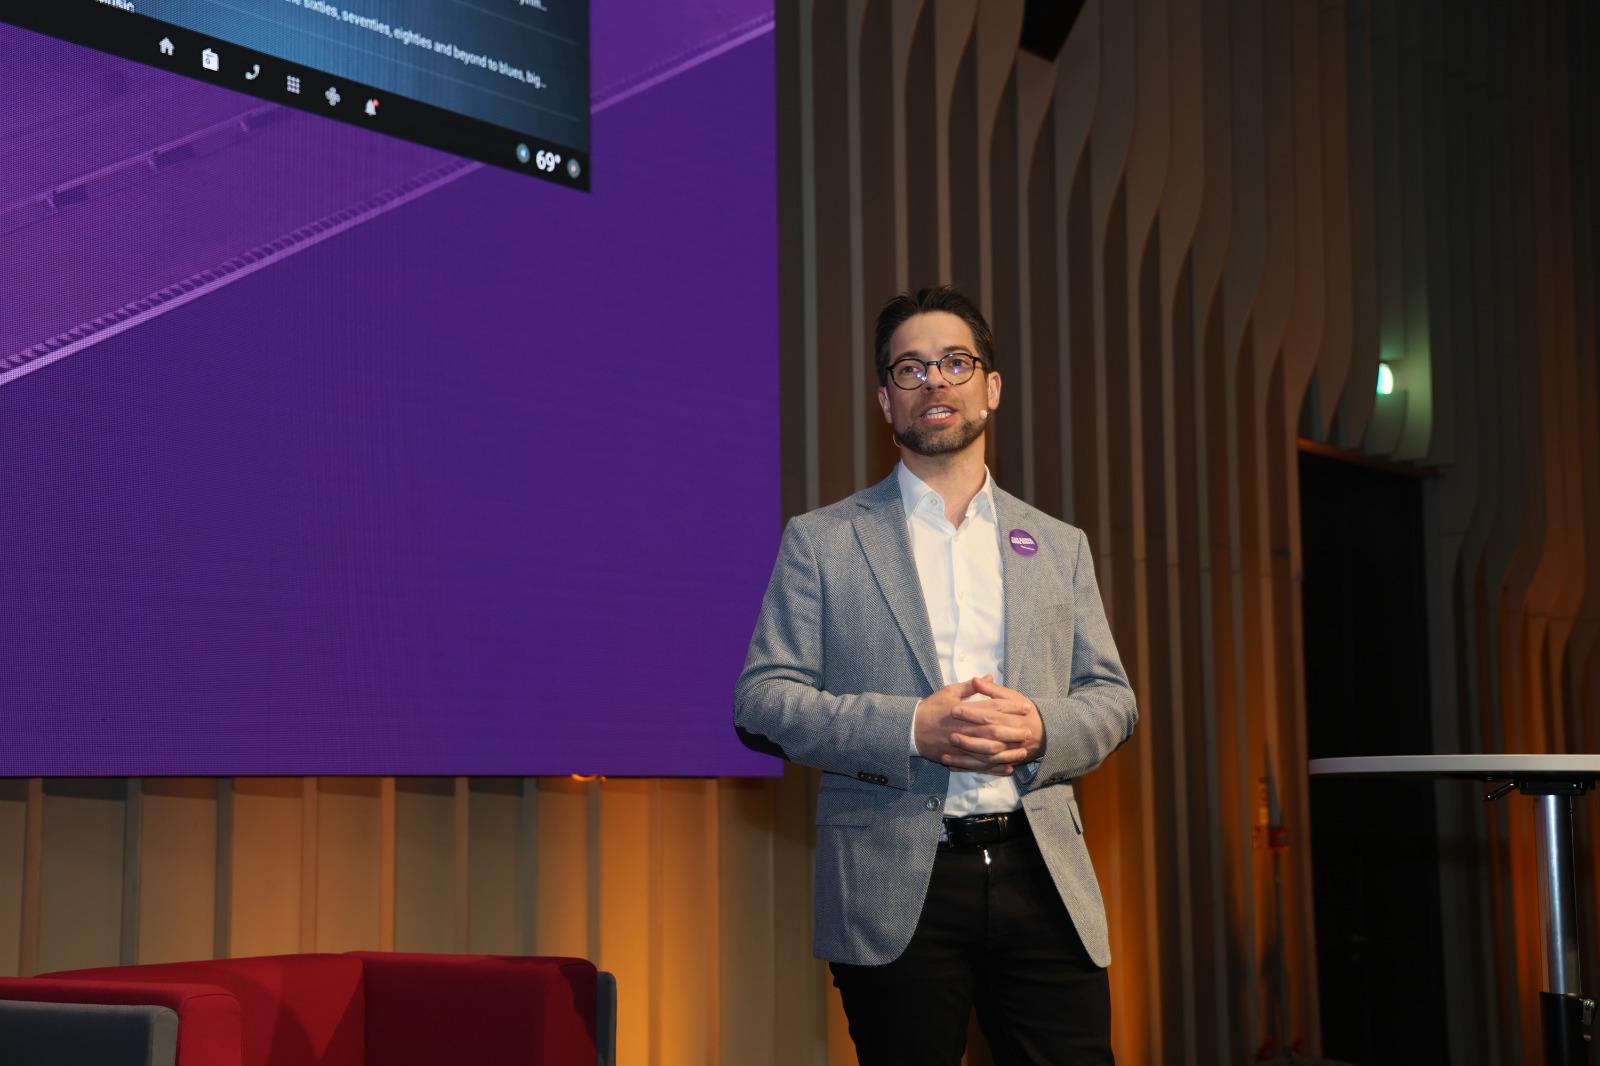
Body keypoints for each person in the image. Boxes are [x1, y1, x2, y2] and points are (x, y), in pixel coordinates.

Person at [734, 285, 1138, 1064]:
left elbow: (1113, 700)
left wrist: (1044, 727)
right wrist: (911, 728)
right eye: (910, 369)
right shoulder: (823, 542)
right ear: (886, 400)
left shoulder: (1059, 545)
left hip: (1042, 873)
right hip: (893, 882)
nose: (934, 382)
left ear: (992, 387)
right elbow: (762, 701)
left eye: (955, 362)